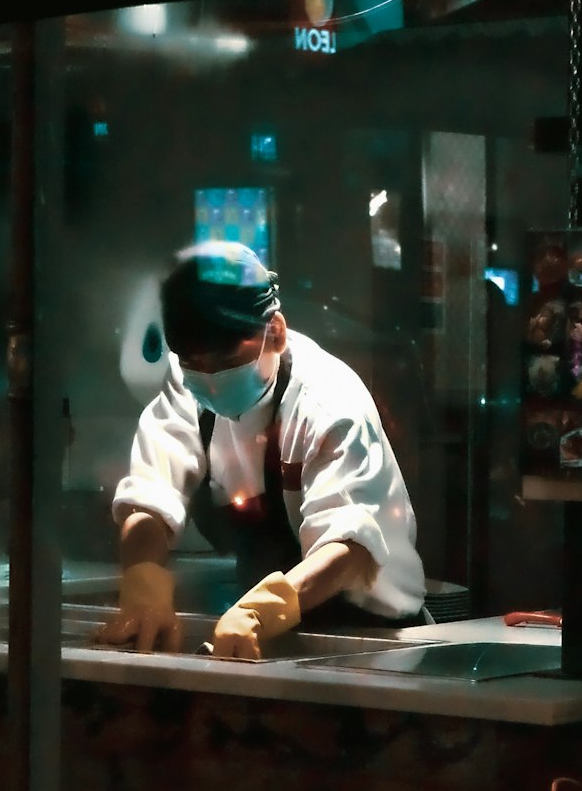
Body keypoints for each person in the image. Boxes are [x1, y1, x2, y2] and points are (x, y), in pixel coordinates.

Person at [98, 241, 427, 660]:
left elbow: (349, 546)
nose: (209, 378)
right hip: (273, 638)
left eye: (226, 358)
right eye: (192, 361)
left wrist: (259, 611)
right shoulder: (187, 385)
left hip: (372, 636)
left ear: (276, 331)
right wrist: (143, 580)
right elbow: (149, 496)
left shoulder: (329, 403)